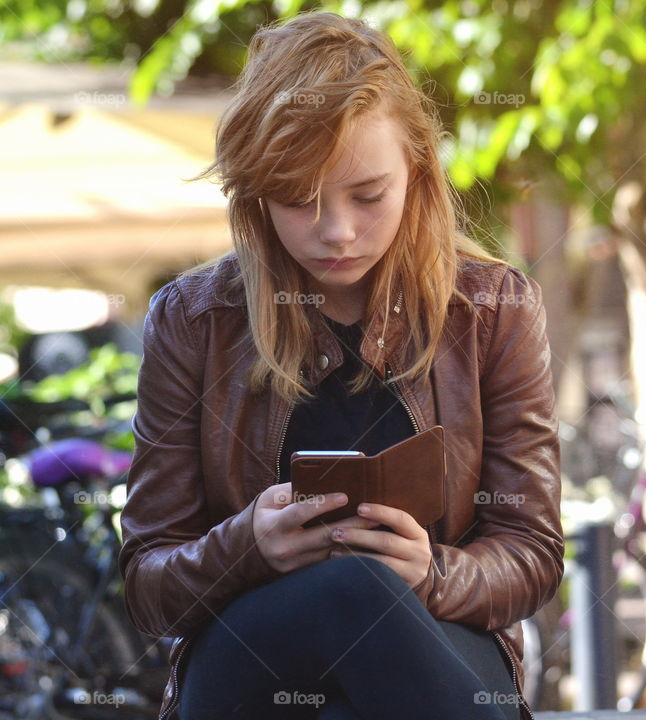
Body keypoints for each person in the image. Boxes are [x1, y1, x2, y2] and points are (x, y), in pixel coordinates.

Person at [117, 10, 564, 720]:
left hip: (434, 640)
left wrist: (432, 571)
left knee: (368, 622)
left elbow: (533, 552)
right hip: (250, 659)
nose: (337, 233)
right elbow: (147, 585)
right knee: (354, 588)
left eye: (368, 195)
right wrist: (248, 548)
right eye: (300, 200)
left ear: (417, 169)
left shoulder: (493, 309)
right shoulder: (193, 320)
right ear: (255, 195)